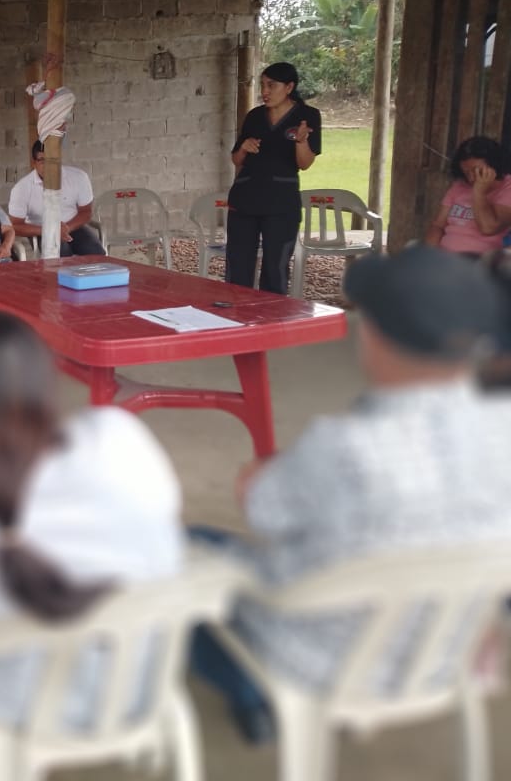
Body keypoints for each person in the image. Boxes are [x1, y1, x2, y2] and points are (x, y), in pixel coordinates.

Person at [191, 246, 511, 744]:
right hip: (442, 653)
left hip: (319, 660)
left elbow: (263, 509)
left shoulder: (343, 448)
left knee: (188, 551)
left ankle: (252, 695)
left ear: (374, 336)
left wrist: (261, 475)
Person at [0, 312, 183, 727]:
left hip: (24, 712)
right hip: (139, 695)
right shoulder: (120, 437)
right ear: (46, 383)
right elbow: (167, 535)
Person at [225, 62, 321, 295]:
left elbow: (304, 164)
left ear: (289, 87)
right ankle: (236, 312)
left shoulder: (307, 116)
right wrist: (244, 148)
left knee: (275, 268)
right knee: (238, 267)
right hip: (245, 200)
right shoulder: (255, 116)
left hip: (281, 203)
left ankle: (271, 315)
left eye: (271, 85)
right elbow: (237, 160)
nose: (265, 91)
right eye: (263, 85)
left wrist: (301, 141)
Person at [8, 141, 106, 256]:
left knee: (96, 252)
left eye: (52, 160)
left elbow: (86, 212)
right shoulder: (21, 188)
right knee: (62, 255)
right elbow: (15, 226)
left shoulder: (78, 177)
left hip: (73, 226)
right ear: (34, 163)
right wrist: (49, 230)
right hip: (41, 230)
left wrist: (65, 229)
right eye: (42, 160)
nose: (48, 166)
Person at [423, 135, 511, 257]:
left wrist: (479, 191)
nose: (470, 178)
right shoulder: (459, 186)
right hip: (445, 258)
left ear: (494, 165)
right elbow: (438, 225)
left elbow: (488, 228)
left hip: (480, 261)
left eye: (476, 170)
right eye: (466, 173)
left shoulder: (507, 188)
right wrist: (428, 254)